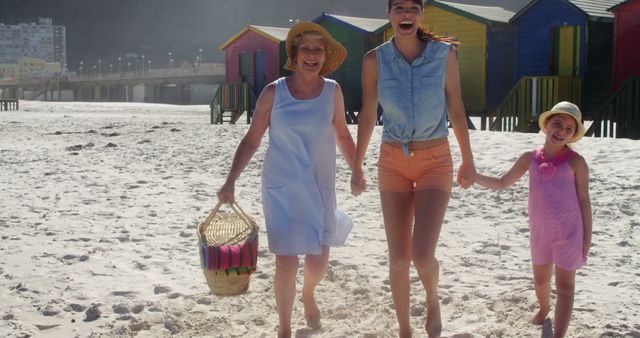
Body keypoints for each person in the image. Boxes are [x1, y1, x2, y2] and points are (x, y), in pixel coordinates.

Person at [217, 22, 355, 338]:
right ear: (294, 54)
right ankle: (285, 327)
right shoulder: (273, 92)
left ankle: (308, 294)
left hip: (319, 187)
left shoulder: (332, 91)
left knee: (318, 262)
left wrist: (356, 170)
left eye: (318, 50)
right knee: (286, 262)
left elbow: (343, 135)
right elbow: (252, 140)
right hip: (282, 188)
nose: (312, 55)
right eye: (305, 48)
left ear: (325, 56)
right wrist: (231, 180)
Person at [350, 0, 476, 337]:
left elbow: (457, 109)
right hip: (392, 163)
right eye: (399, 8)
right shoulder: (374, 60)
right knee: (398, 260)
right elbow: (367, 114)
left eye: (413, 8)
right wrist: (357, 164)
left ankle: (433, 300)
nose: (406, 14)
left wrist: (468, 159)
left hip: (435, 160)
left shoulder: (443, 55)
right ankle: (405, 329)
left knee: (422, 256)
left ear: (421, 14)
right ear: (388, 14)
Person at [473, 101, 592, 338]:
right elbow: (502, 182)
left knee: (566, 287)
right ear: (546, 124)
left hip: (570, 233)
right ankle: (544, 307)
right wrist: (473, 176)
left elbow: (584, 201)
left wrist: (587, 237)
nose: (561, 132)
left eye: (569, 129)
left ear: (573, 135)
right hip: (541, 233)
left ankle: (558, 335)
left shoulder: (576, 162)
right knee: (540, 282)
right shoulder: (529, 158)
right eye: (558, 124)